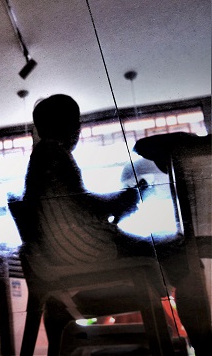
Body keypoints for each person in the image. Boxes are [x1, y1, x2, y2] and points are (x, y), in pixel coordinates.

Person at [20, 94, 211, 353]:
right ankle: (204, 345)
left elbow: (79, 211)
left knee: (175, 250)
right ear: (64, 125)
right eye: (74, 122)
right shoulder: (53, 154)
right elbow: (87, 206)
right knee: (184, 255)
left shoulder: (42, 158)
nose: (77, 129)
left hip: (80, 248)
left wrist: (120, 204)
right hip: (93, 250)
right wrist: (123, 201)